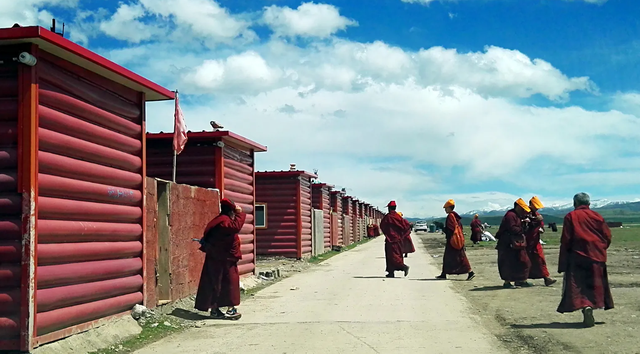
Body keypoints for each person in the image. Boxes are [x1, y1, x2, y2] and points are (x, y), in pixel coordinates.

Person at [557, 192, 614, 327]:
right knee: (594, 284)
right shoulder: (597, 216)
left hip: (577, 256)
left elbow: (566, 239)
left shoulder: (570, 216)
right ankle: (591, 305)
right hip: (596, 255)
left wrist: (564, 261)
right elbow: (607, 236)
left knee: (578, 284)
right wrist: (601, 249)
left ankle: (585, 306)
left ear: (574, 203)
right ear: (589, 204)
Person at [194, 198, 246, 320]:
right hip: (223, 259)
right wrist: (240, 213)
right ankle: (230, 309)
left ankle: (215, 309)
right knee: (229, 284)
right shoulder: (223, 222)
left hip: (219, 257)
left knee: (217, 283)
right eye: (233, 212)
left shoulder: (220, 220)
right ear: (231, 212)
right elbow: (235, 227)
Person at [495, 198, 532, 289]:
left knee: (523, 261)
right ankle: (507, 282)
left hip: (515, 243)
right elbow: (513, 229)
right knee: (508, 263)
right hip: (507, 243)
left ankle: (520, 280)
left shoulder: (517, 215)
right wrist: (523, 228)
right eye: (522, 208)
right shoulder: (510, 215)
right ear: (518, 207)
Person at [436, 199, 475, 280]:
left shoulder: (450, 216)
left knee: (459, 257)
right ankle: (444, 273)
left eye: (446, 208)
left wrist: (442, 228)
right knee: (452, 257)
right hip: (457, 240)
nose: (445, 210)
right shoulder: (456, 217)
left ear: (450, 208)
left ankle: (470, 272)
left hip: (452, 241)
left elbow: (450, 229)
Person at [525, 196, 556, 286]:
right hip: (527, 242)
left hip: (535, 241)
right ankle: (522, 279)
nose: (537, 207)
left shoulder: (537, 214)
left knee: (540, 259)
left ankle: (546, 278)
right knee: (526, 261)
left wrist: (541, 228)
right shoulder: (525, 213)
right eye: (535, 206)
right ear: (530, 205)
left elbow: (541, 225)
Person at [380, 201, 411, 278]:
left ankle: (403, 267)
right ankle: (391, 272)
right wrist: (402, 235)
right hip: (398, 240)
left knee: (392, 256)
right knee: (397, 255)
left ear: (389, 208)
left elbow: (382, 226)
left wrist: (387, 233)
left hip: (390, 239)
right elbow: (406, 226)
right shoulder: (398, 217)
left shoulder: (388, 217)